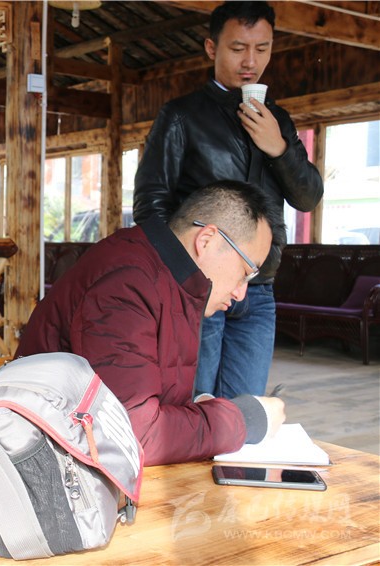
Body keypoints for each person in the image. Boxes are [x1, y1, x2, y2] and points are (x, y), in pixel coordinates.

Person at [17, 181, 286, 466]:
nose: (242, 293)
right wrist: (245, 419)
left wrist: (200, 408)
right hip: (48, 463)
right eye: (246, 272)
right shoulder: (126, 283)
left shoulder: (170, 280)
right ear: (207, 240)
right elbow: (132, 437)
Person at [132, 1, 323, 400]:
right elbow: (150, 205)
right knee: (192, 406)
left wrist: (279, 148)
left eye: (262, 48)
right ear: (211, 48)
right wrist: (185, 278)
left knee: (242, 413)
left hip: (258, 288)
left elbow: (308, 197)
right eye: (238, 48)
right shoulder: (181, 116)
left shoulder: (278, 122)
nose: (250, 61)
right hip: (200, 287)